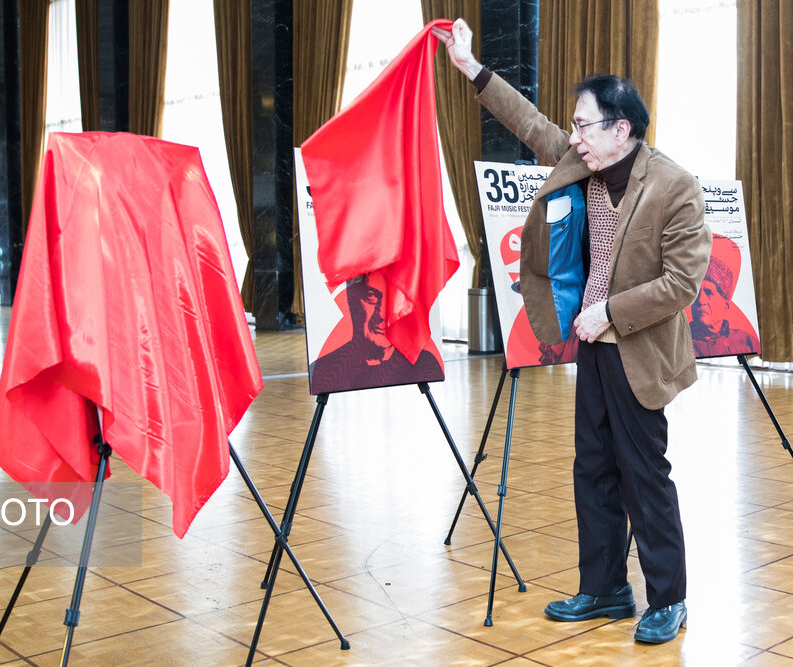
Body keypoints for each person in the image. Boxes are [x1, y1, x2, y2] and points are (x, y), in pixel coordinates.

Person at [433, 19, 712, 644]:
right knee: (593, 468)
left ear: (621, 128)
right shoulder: (584, 163)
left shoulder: (675, 187)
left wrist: (609, 312)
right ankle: (607, 586)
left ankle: (669, 597)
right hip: (593, 346)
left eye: (585, 124)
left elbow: (681, 284)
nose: (575, 134)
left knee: (646, 474)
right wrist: (472, 66)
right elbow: (529, 123)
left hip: (638, 350)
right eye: (576, 125)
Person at [308, 272, 443, 394]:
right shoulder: (323, 370)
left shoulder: (427, 363)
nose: (382, 314)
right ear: (352, 301)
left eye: (393, 296)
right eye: (371, 296)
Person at [690, 256, 759, 357]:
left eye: (709, 292)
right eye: (696, 293)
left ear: (725, 305)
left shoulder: (747, 342)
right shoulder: (678, 340)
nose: (701, 301)